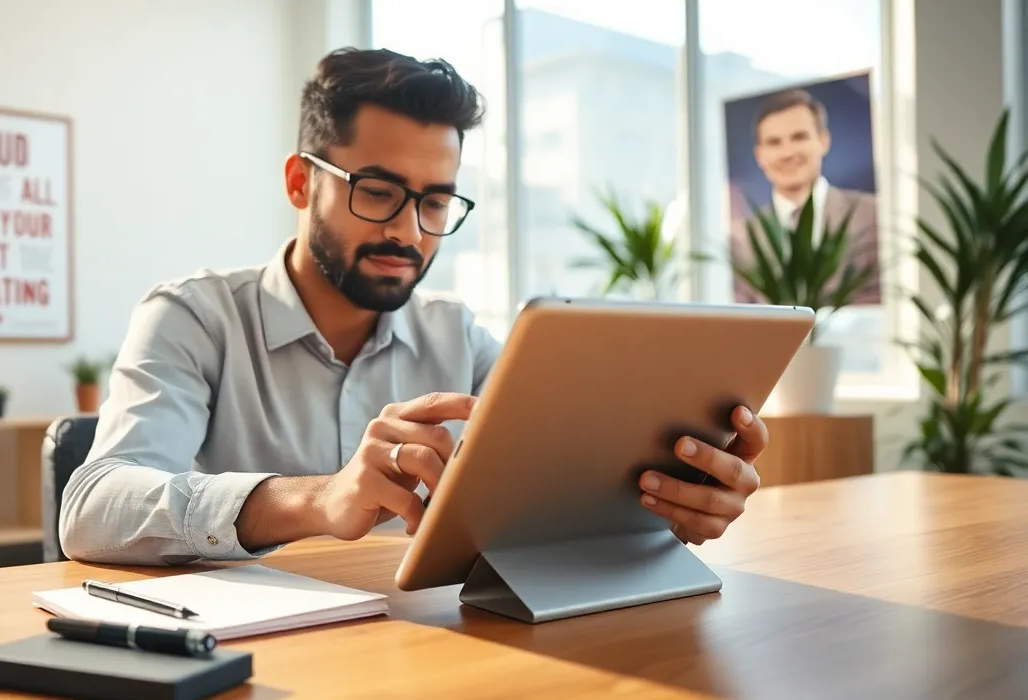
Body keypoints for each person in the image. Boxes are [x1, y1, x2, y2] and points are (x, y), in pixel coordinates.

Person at [59, 47, 770, 566]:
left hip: (416, 657)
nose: (407, 231)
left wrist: (668, 503)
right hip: (244, 675)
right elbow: (93, 507)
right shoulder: (192, 317)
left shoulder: (457, 336)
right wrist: (317, 499)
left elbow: (563, 484)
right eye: (377, 191)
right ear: (301, 183)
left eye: (435, 202)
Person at [730, 88, 881, 305]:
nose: (787, 153)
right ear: (759, 156)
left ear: (824, 141)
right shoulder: (742, 239)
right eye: (774, 142)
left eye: (799, 137)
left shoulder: (871, 214)